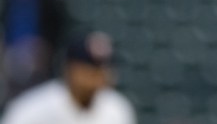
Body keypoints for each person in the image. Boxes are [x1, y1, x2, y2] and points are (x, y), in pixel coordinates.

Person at [0, 31, 136, 124]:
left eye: (102, 69)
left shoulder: (117, 109)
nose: (98, 76)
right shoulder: (33, 108)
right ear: (69, 69)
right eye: (90, 69)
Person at [1, 0, 68, 103]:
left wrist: (44, 52)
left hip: (43, 80)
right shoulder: (6, 2)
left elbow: (60, 43)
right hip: (8, 80)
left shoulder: (52, 3)